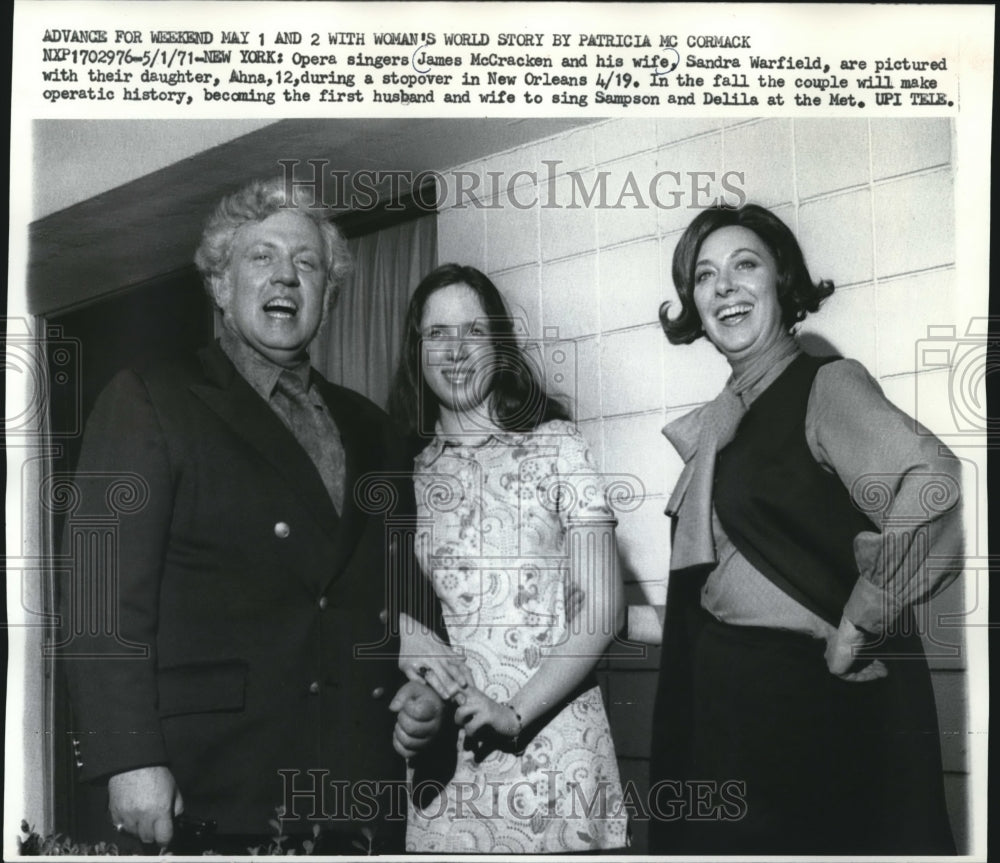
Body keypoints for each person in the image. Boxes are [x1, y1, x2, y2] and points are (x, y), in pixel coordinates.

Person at [59, 177, 443, 854]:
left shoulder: (375, 428)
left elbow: (399, 592)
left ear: (328, 293)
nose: (286, 277)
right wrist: (127, 756)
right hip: (214, 783)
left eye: (307, 263)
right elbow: (100, 600)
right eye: (262, 256)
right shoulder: (151, 399)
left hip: (356, 788)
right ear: (219, 283)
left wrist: (424, 694)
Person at [648, 203, 963, 854]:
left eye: (745, 265)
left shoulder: (825, 386)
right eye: (705, 275)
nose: (724, 286)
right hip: (721, 718)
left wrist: (863, 617)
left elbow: (934, 484)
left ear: (782, 283)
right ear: (693, 303)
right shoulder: (715, 427)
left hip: (808, 719)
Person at [387, 264, 629, 853]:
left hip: (558, 770)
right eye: (437, 333)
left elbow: (604, 610)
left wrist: (513, 713)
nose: (456, 349)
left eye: (474, 330)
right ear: (416, 352)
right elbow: (387, 613)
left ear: (500, 344)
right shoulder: (403, 477)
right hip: (450, 778)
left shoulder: (556, 447)